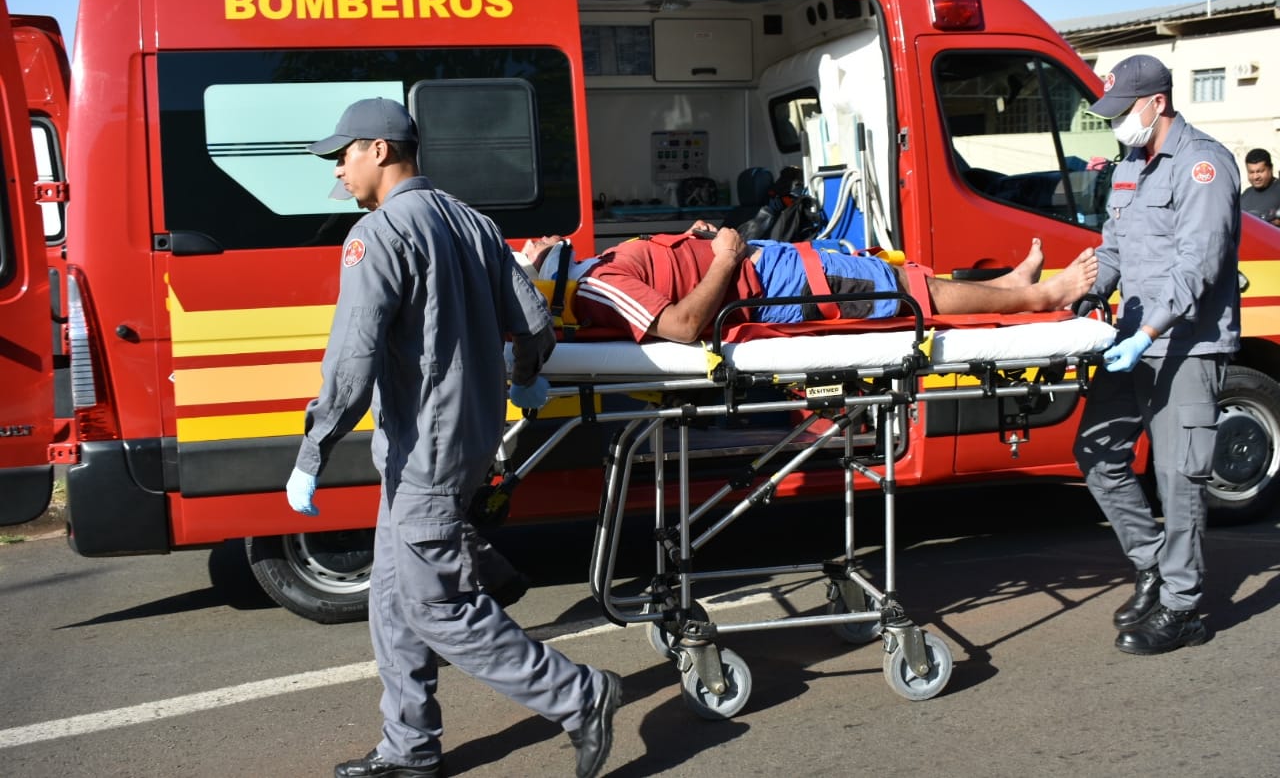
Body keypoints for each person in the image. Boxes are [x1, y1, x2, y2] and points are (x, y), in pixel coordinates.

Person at [283, 98, 622, 778]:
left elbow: (351, 360)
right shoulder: (474, 223)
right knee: (390, 598)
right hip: (465, 440)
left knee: (437, 606)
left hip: (423, 456)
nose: (339, 170)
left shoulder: (377, 236)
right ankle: (409, 746)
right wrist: (523, 378)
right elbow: (534, 329)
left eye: (343, 154)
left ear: (380, 149)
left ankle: (580, 695)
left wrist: (312, 450)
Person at [1073, 54, 1240, 656]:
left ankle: (1183, 608)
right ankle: (1153, 564)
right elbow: (1114, 248)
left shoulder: (1203, 165)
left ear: (1158, 103)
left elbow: (1200, 265)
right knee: (1097, 454)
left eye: (1124, 112)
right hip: (1133, 342)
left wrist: (1150, 332)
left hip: (1187, 344)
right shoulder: (1129, 166)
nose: (1118, 124)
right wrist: (1088, 291)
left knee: (1179, 477)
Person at [520, 223, 1098, 343]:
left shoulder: (600, 268)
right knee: (908, 292)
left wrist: (696, 239)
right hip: (783, 281)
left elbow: (670, 276)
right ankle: (1043, 295)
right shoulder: (596, 287)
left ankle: (1009, 282)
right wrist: (724, 257)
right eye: (533, 250)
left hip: (775, 265)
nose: (535, 240)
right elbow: (683, 326)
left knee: (903, 277)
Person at [1240, 147, 1280, 224]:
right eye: (1251, 172)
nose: (1256, 177)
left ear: (1271, 168)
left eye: (1260, 171)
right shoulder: (1245, 194)